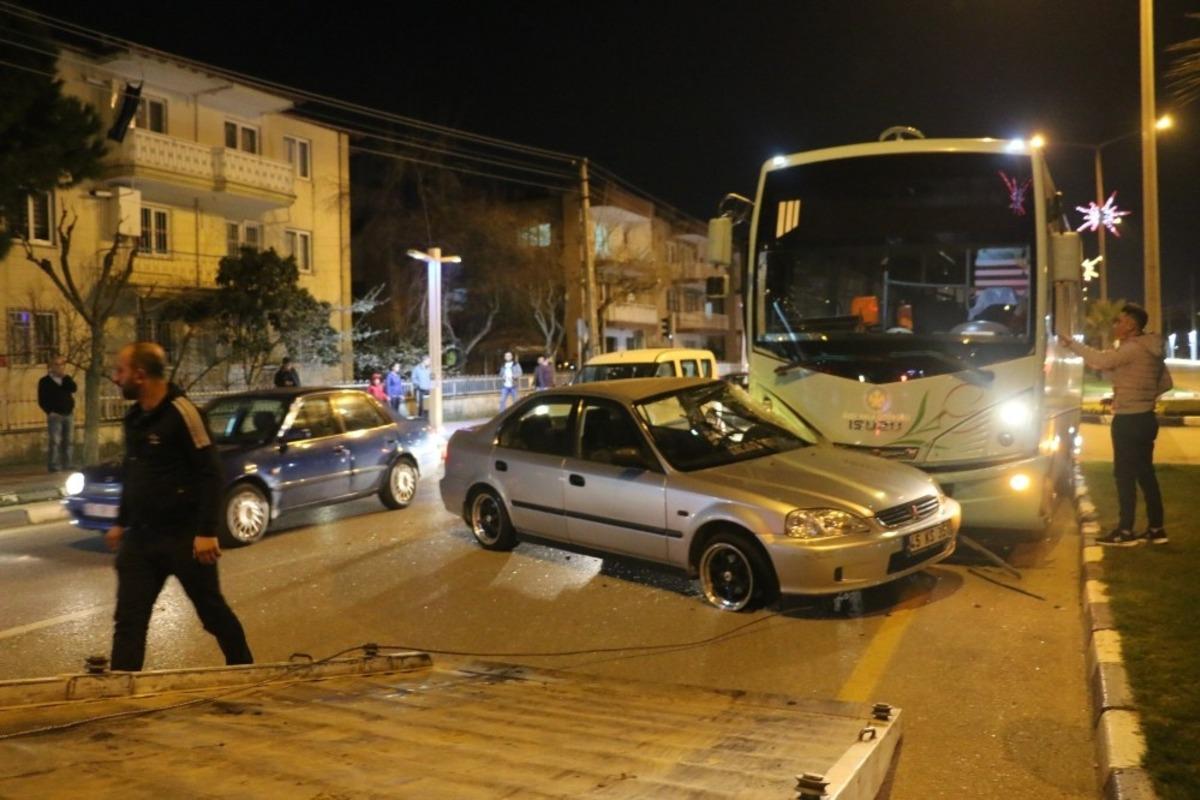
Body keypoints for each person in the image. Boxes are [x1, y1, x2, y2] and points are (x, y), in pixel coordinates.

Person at [105, 342, 253, 672]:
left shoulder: (184, 413)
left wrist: (206, 532)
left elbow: (211, 472)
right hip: (142, 540)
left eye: (121, 371)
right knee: (129, 620)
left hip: (185, 538)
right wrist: (120, 521)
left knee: (212, 612)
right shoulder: (135, 418)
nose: (116, 378)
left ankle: (245, 671)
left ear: (140, 375)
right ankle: (118, 695)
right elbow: (134, 472)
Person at [1059, 303, 1171, 546]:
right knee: (1145, 474)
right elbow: (1165, 383)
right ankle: (1156, 528)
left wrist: (1072, 344)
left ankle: (1125, 531)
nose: (1116, 325)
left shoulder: (1133, 348)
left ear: (1131, 325)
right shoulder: (1153, 349)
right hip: (1146, 418)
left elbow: (1100, 361)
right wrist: (1136, 395)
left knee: (1124, 475)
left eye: (1119, 321)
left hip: (1129, 420)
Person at [37, 354, 77, 472]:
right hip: (55, 415)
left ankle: (68, 464)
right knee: (55, 441)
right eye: (57, 364)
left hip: (68, 414)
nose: (60, 367)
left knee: (69, 441)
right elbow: (42, 399)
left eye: (62, 365)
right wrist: (50, 411)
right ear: (51, 366)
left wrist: (64, 378)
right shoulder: (45, 381)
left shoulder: (66, 379)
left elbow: (73, 388)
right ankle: (53, 465)